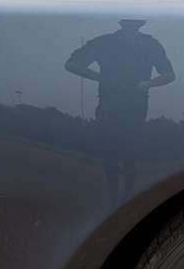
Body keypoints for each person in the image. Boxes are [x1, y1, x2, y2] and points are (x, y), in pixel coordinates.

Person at [65, 20, 175, 201]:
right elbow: (71, 64)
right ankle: (115, 198)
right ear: (123, 23)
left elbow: (170, 75)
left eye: (135, 22)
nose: (132, 25)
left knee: (129, 153)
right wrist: (99, 77)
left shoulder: (150, 43)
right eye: (130, 22)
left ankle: (126, 197)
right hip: (110, 102)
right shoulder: (104, 42)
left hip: (135, 104)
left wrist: (147, 84)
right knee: (111, 153)